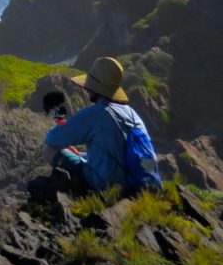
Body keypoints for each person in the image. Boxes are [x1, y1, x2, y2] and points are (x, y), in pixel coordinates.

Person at [42, 56, 154, 192]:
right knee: (83, 154)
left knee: (48, 150)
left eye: (88, 86)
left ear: (94, 88)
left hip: (107, 185)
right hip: (139, 182)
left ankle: (82, 192)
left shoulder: (95, 113)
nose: (86, 89)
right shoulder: (131, 113)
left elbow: (52, 138)